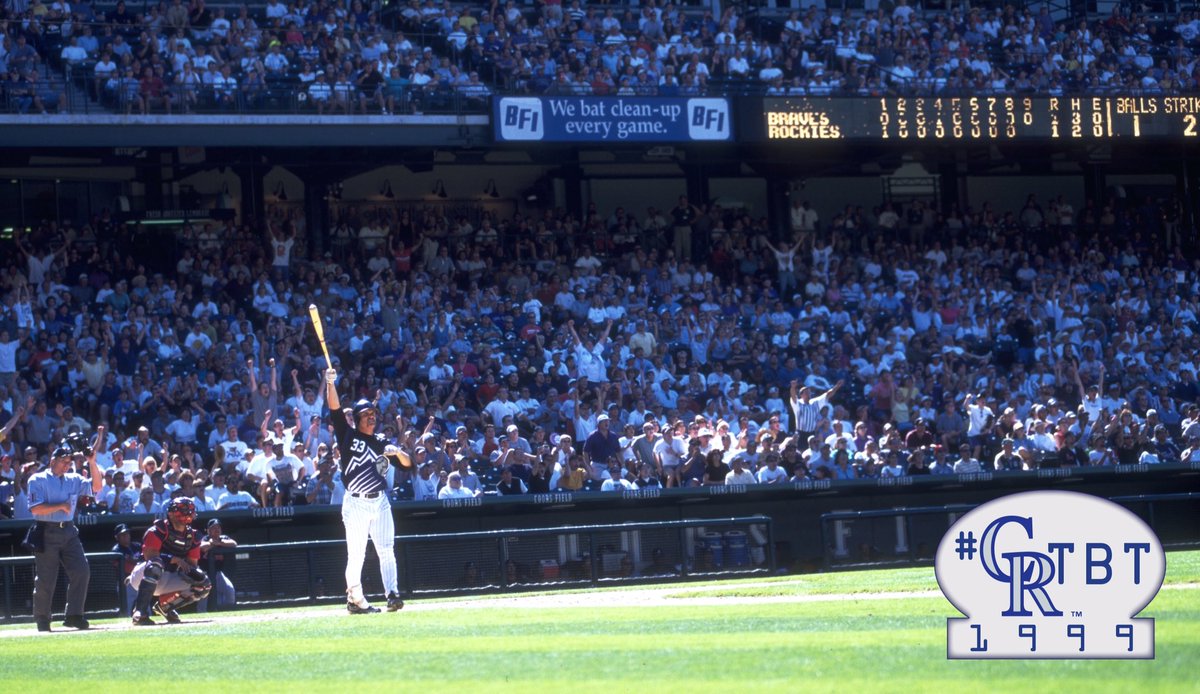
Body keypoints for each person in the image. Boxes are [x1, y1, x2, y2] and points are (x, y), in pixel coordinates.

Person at [325, 367, 404, 614]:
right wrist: (330, 383)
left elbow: (389, 447)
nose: (372, 416)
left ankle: (392, 594)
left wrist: (395, 450)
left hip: (380, 501)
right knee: (356, 555)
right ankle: (355, 600)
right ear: (357, 418)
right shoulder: (347, 435)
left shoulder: (379, 439)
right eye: (366, 413)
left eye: (373, 413)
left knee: (386, 550)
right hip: (356, 502)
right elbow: (335, 409)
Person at [27, 427, 106, 632]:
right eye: (64, 462)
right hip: (46, 530)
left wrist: (92, 462)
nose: (67, 465)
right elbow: (35, 509)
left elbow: (96, 488)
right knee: (46, 578)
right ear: (53, 460)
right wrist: (60, 506)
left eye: (70, 463)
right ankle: (43, 619)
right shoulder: (37, 479)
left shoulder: (74, 478)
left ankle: (74, 615)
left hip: (69, 531)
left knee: (82, 570)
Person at [128, 497, 212, 625]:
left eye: (189, 511)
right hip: (143, 575)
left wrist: (194, 573)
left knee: (203, 584)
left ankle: (165, 607)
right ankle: (140, 612)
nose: (187, 514)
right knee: (155, 564)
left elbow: (191, 565)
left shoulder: (194, 536)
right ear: (171, 513)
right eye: (183, 510)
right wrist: (174, 559)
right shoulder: (158, 530)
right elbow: (150, 556)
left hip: (170, 575)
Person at [199, 518, 237, 610]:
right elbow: (202, 547)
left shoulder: (223, 538)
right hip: (203, 573)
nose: (217, 529)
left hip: (217, 573)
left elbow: (234, 543)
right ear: (208, 530)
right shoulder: (205, 538)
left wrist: (218, 543)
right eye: (213, 528)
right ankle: (201, 614)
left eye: (218, 527)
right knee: (203, 595)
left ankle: (228, 614)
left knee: (229, 590)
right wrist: (211, 543)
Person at [111, 522, 141, 616]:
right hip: (125, 583)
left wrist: (135, 561)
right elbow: (127, 568)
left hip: (140, 581)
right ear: (117, 537)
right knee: (126, 609)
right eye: (123, 535)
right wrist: (138, 562)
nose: (126, 536)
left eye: (127, 534)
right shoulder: (116, 550)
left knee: (145, 607)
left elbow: (146, 558)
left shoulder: (136, 546)